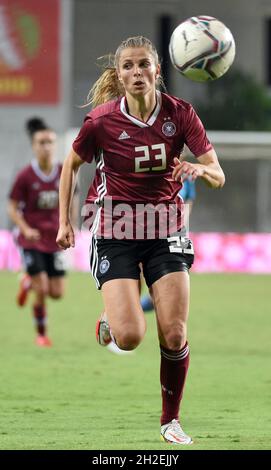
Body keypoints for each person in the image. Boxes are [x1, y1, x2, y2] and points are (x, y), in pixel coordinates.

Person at [56, 36, 225, 444]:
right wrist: (65, 222)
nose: (136, 73)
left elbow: (218, 173)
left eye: (144, 65)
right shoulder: (101, 121)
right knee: (130, 337)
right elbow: (71, 165)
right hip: (115, 230)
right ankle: (110, 322)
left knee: (174, 332)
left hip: (165, 229)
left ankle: (171, 420)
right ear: (119, 74)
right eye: (128, 66)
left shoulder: (181, 114)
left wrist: (200, 171)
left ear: (157, 71)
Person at [8, 117, 67, 347]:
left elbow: (70, 199)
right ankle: (41, 334)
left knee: (57, 293)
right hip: (31, 240)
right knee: (42, 288)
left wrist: (68, 225)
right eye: (42, 142)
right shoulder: (25, 176)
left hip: (54, 239)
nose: (47, 147)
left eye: (50, 142)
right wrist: (25, 228)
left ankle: (26, 282)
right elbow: (12, 207)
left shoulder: (62, 171)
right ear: (34, 146)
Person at [140, 176, 196, 312]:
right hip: (149, 226)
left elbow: (190, 199)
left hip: (178, 228)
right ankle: (139, 299)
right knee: (140, 265)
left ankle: (153, 299)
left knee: (180, 266)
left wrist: (184, 219)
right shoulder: (159, 170)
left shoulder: (188, 176)